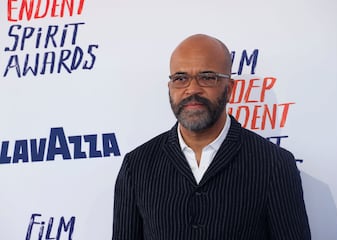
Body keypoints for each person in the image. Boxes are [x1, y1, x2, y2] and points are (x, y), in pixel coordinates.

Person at [112, 34, 311, 240]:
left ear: (230, 89)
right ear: (170, 88)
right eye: (180, 78)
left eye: (207, 77)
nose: (192, 89)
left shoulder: (274, 164)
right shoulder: (136, 166)